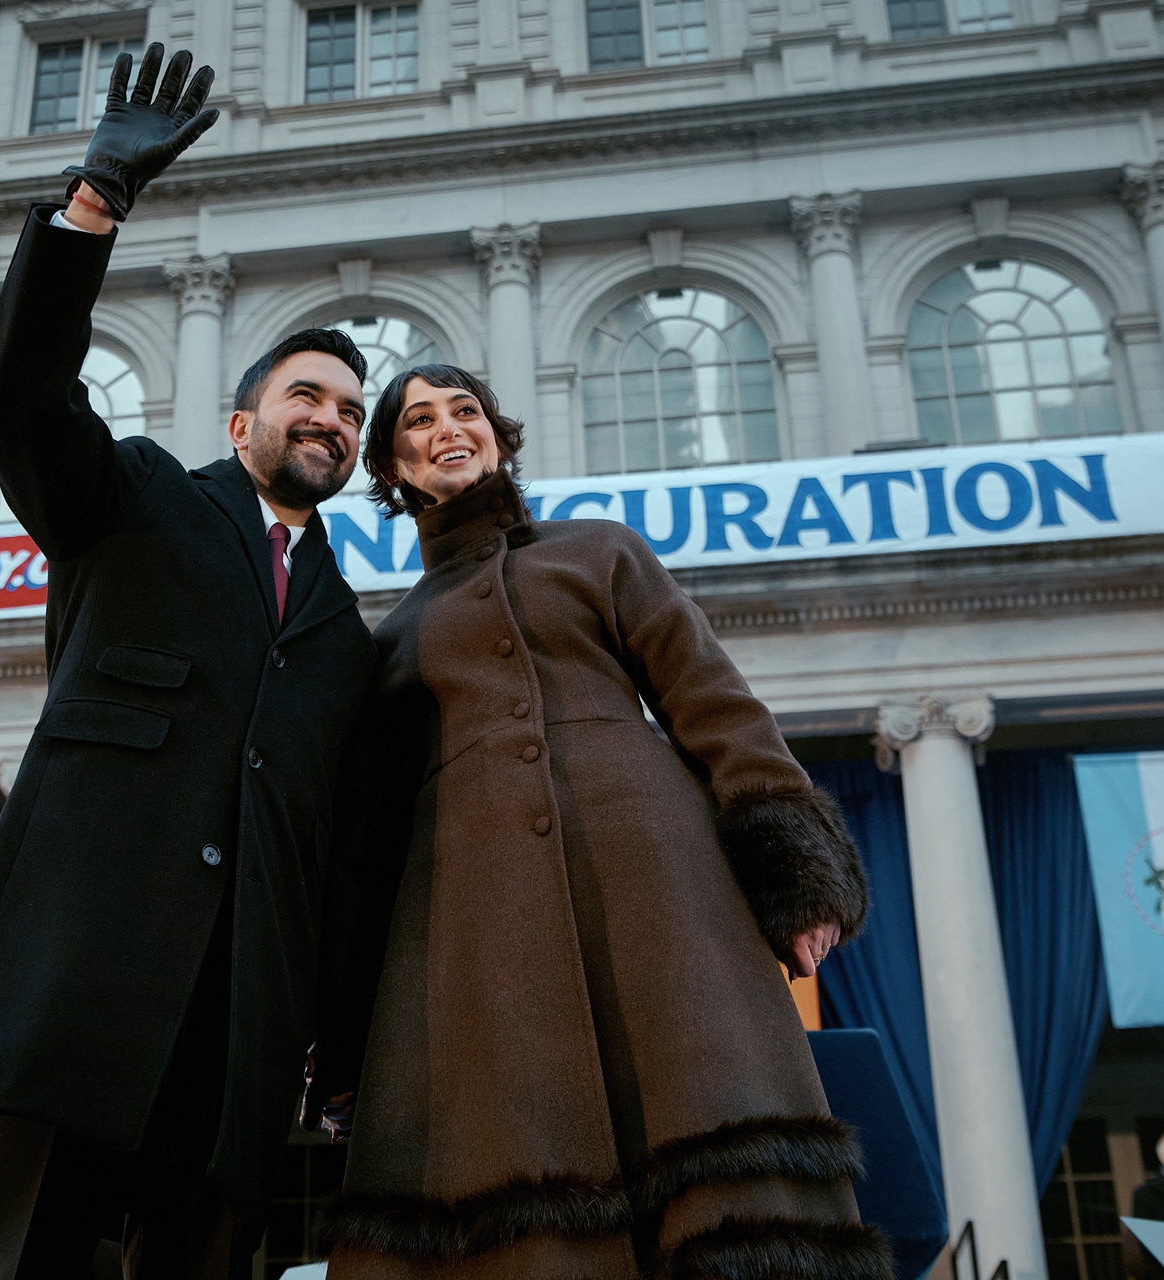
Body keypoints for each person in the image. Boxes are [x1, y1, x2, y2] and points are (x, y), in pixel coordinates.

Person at [0, 41, 376, 1280]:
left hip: (232, 1055)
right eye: (307, 394)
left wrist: (335, 1029)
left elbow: (337, 839)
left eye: (349, 412)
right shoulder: (137, 499)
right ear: (242, 420)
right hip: (72, 1004)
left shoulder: (343, 626)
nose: (329, 417)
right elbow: (22, 394)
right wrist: (91, 206)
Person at [307, 365, 885, 1280]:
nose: (449, 428)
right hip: (476, 936)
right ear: (394, 464)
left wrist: (796, 872)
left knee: (718, 1165)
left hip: (662, 890)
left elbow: (715, 706)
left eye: (466, 412)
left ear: (496, 435)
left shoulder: (600, 551)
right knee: (512, 1183)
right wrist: (344, 1041)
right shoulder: (388, 641)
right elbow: (364, 855)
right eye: (420, 419)